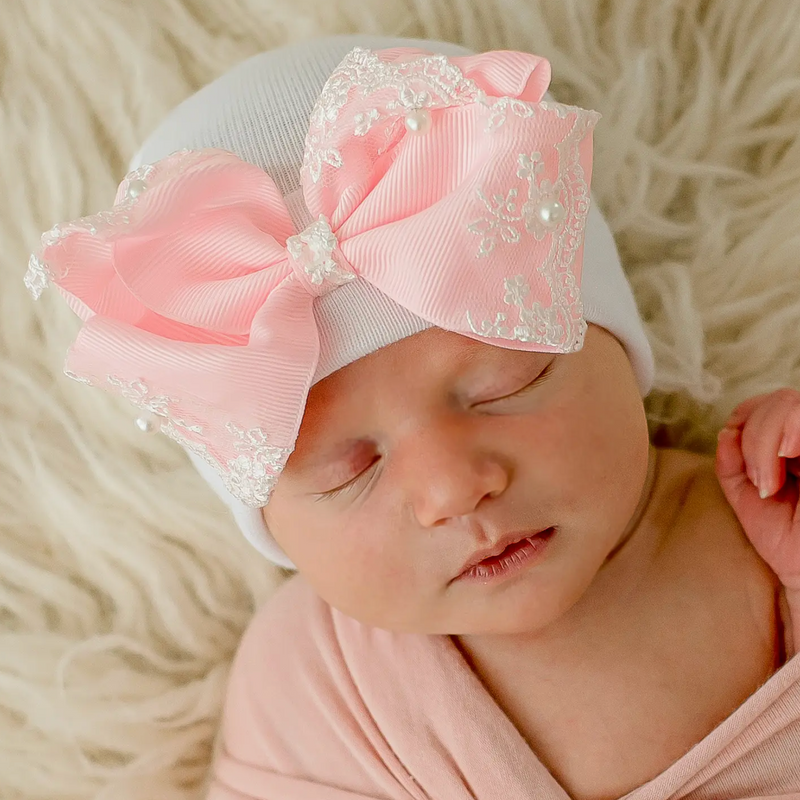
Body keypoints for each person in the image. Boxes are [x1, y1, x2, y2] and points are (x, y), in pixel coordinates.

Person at [25, 34, 800, 800]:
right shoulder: (310, 680)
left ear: (617, 350)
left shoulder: (756, 525)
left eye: (507, 384)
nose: (454, 488)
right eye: (347, 472)